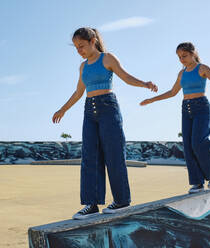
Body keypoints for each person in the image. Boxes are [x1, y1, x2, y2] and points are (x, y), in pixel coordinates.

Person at [52, 27, 158, 219]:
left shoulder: (107, 58)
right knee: (89, 157)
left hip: (108, 108)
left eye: (82, 46)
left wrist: (145, 83)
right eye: (76, 48)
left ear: (93, 41)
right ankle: (91, 204)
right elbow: (78, 93)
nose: (79, 51)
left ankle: (121, 200)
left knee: (114, 154)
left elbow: (126, 77)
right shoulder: (83, 67)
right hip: (89, 110)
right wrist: (63, 109)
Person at [140, 42, 210, 194]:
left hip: (201, 107)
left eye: (184, 56)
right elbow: (172, 92)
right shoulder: (181, 73)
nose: (181, 59)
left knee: (199, 141)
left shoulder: (202, 68)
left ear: (192, 53)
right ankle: (197, 182)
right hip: (186, 109)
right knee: (188, 146)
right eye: (179, 57)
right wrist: (151, 100)